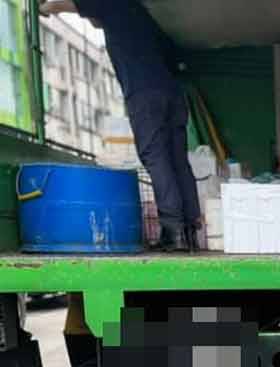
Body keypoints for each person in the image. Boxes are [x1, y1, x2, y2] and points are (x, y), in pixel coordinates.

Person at [39, 0, 201, 252]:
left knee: (155, 158)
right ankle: (190, 230)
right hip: (173, 95)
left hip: (145, 96)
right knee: (177, 159)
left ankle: (174, 232)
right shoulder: (144, 18)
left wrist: (44, 7)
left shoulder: (114, 4)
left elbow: (63, 5)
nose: (91, 19)